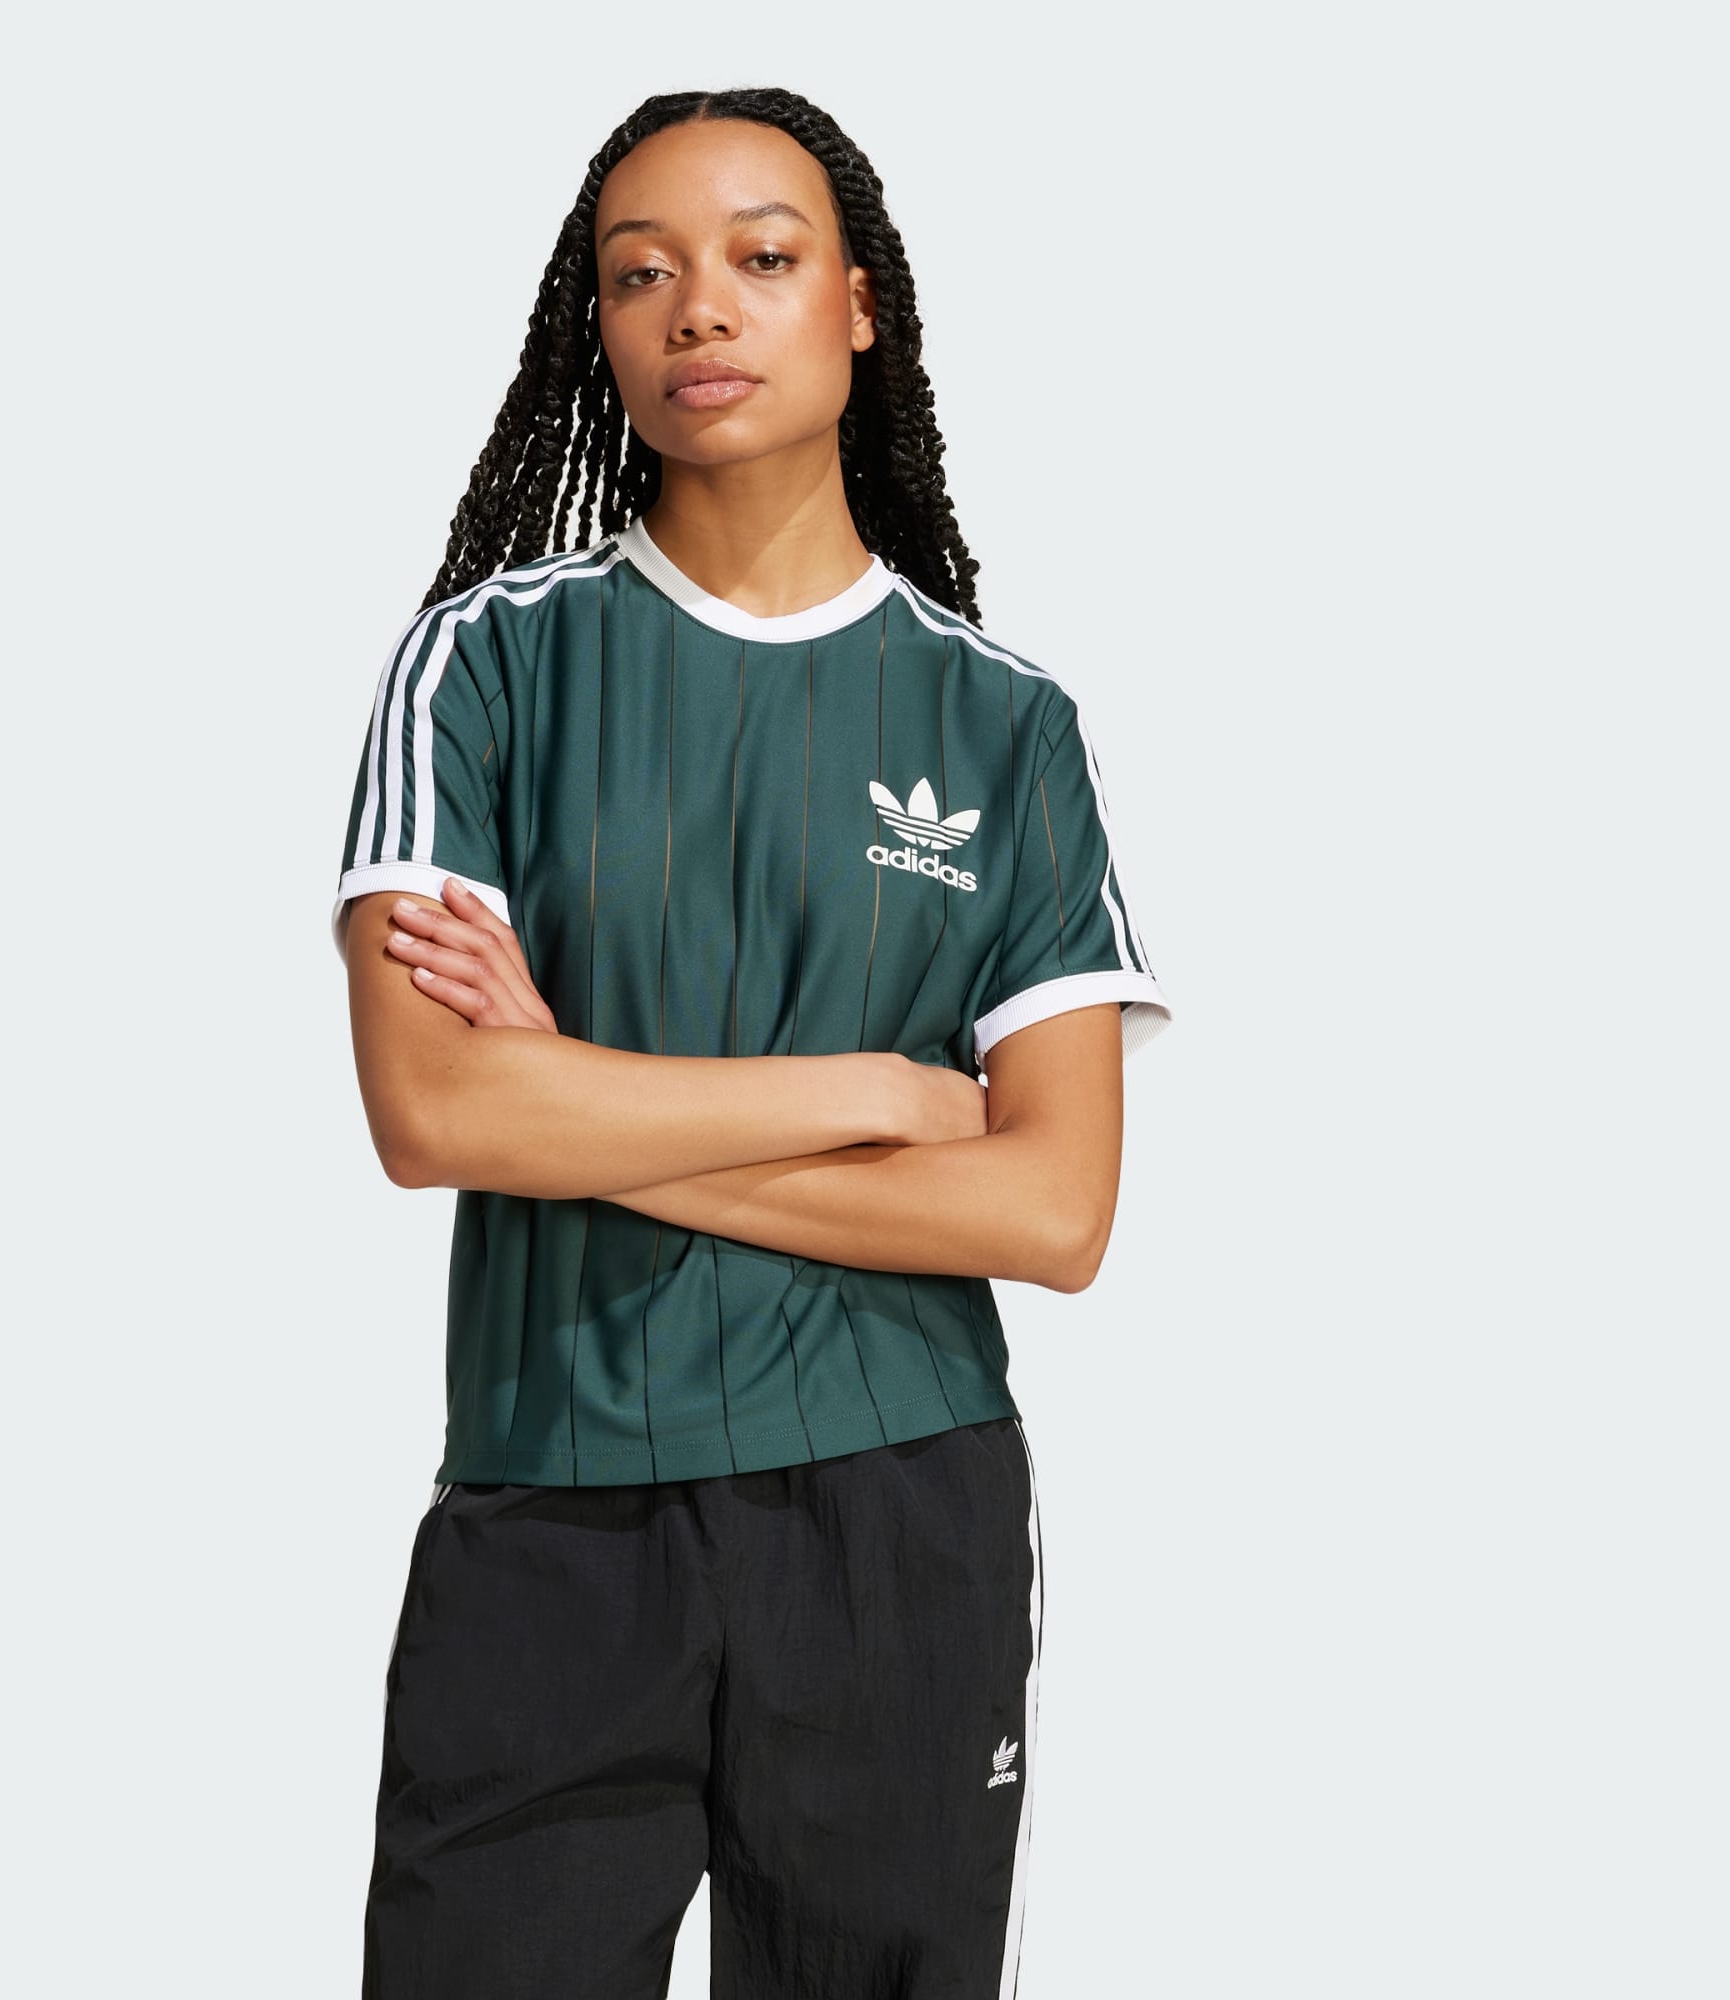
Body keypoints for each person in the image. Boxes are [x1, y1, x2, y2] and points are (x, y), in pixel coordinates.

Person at [331, 84, 1173, 2000]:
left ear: (861, 305)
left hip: (899, 1509)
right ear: (601, 330)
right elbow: (434, 1106)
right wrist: (881, 1099)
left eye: (762, 258)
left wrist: (581, 1108)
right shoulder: (485, 661)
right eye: (642, 274)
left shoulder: (1005, 724)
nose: (698, 306)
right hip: (553, 1501)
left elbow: (1051, 1213)